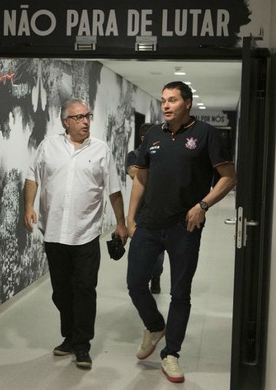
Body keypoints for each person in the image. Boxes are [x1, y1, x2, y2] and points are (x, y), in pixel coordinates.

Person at [126, 81, 237, 383]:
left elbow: (229, 177)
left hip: (184, 227)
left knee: (180, 292)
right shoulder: (152, 135)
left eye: (172, 100)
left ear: (187, 103)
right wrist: (131, 217)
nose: (165, 105)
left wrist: (203, 204)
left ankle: (171, 354)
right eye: (163, 100)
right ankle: (154, 325)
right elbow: (141, 178)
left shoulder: (206, 135)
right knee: (135, 284)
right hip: (149, 223)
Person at [23, 98, 128, 370]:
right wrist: (28, 207)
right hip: (55, 233)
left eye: (87, 116)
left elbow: (114, 190)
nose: (85, 121)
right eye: (79, 117)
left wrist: (121, 222)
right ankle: (69, 336)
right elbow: (32, 176)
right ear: (65, 122)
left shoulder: (101, 150)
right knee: (61, 292)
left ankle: (82, 345)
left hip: (86, 234)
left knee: (84, 290)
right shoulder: (49, 146)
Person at [126, 123, 165, 294]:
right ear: (144, 139)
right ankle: (141, 279)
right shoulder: (133, 155)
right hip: (140, 210)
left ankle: (156, 276)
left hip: (160, 209)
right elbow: (135, 173)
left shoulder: (162, 153)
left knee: (158, 251)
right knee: (139, 248)